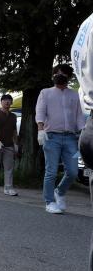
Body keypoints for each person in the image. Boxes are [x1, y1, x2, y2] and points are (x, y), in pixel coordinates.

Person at [36, 63, 85, 214]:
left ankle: (60, 192)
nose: (59, 76)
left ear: (69, 77)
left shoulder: (74, 94)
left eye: (62, 74)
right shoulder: (46, 93)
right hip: (51, 136)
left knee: (73, 171)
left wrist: (83, 133)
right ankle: (49, 202)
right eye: (56, 73)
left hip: (70, 137)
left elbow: (79, 116)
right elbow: (40, 111)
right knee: (50, 171)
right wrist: (40, 129)